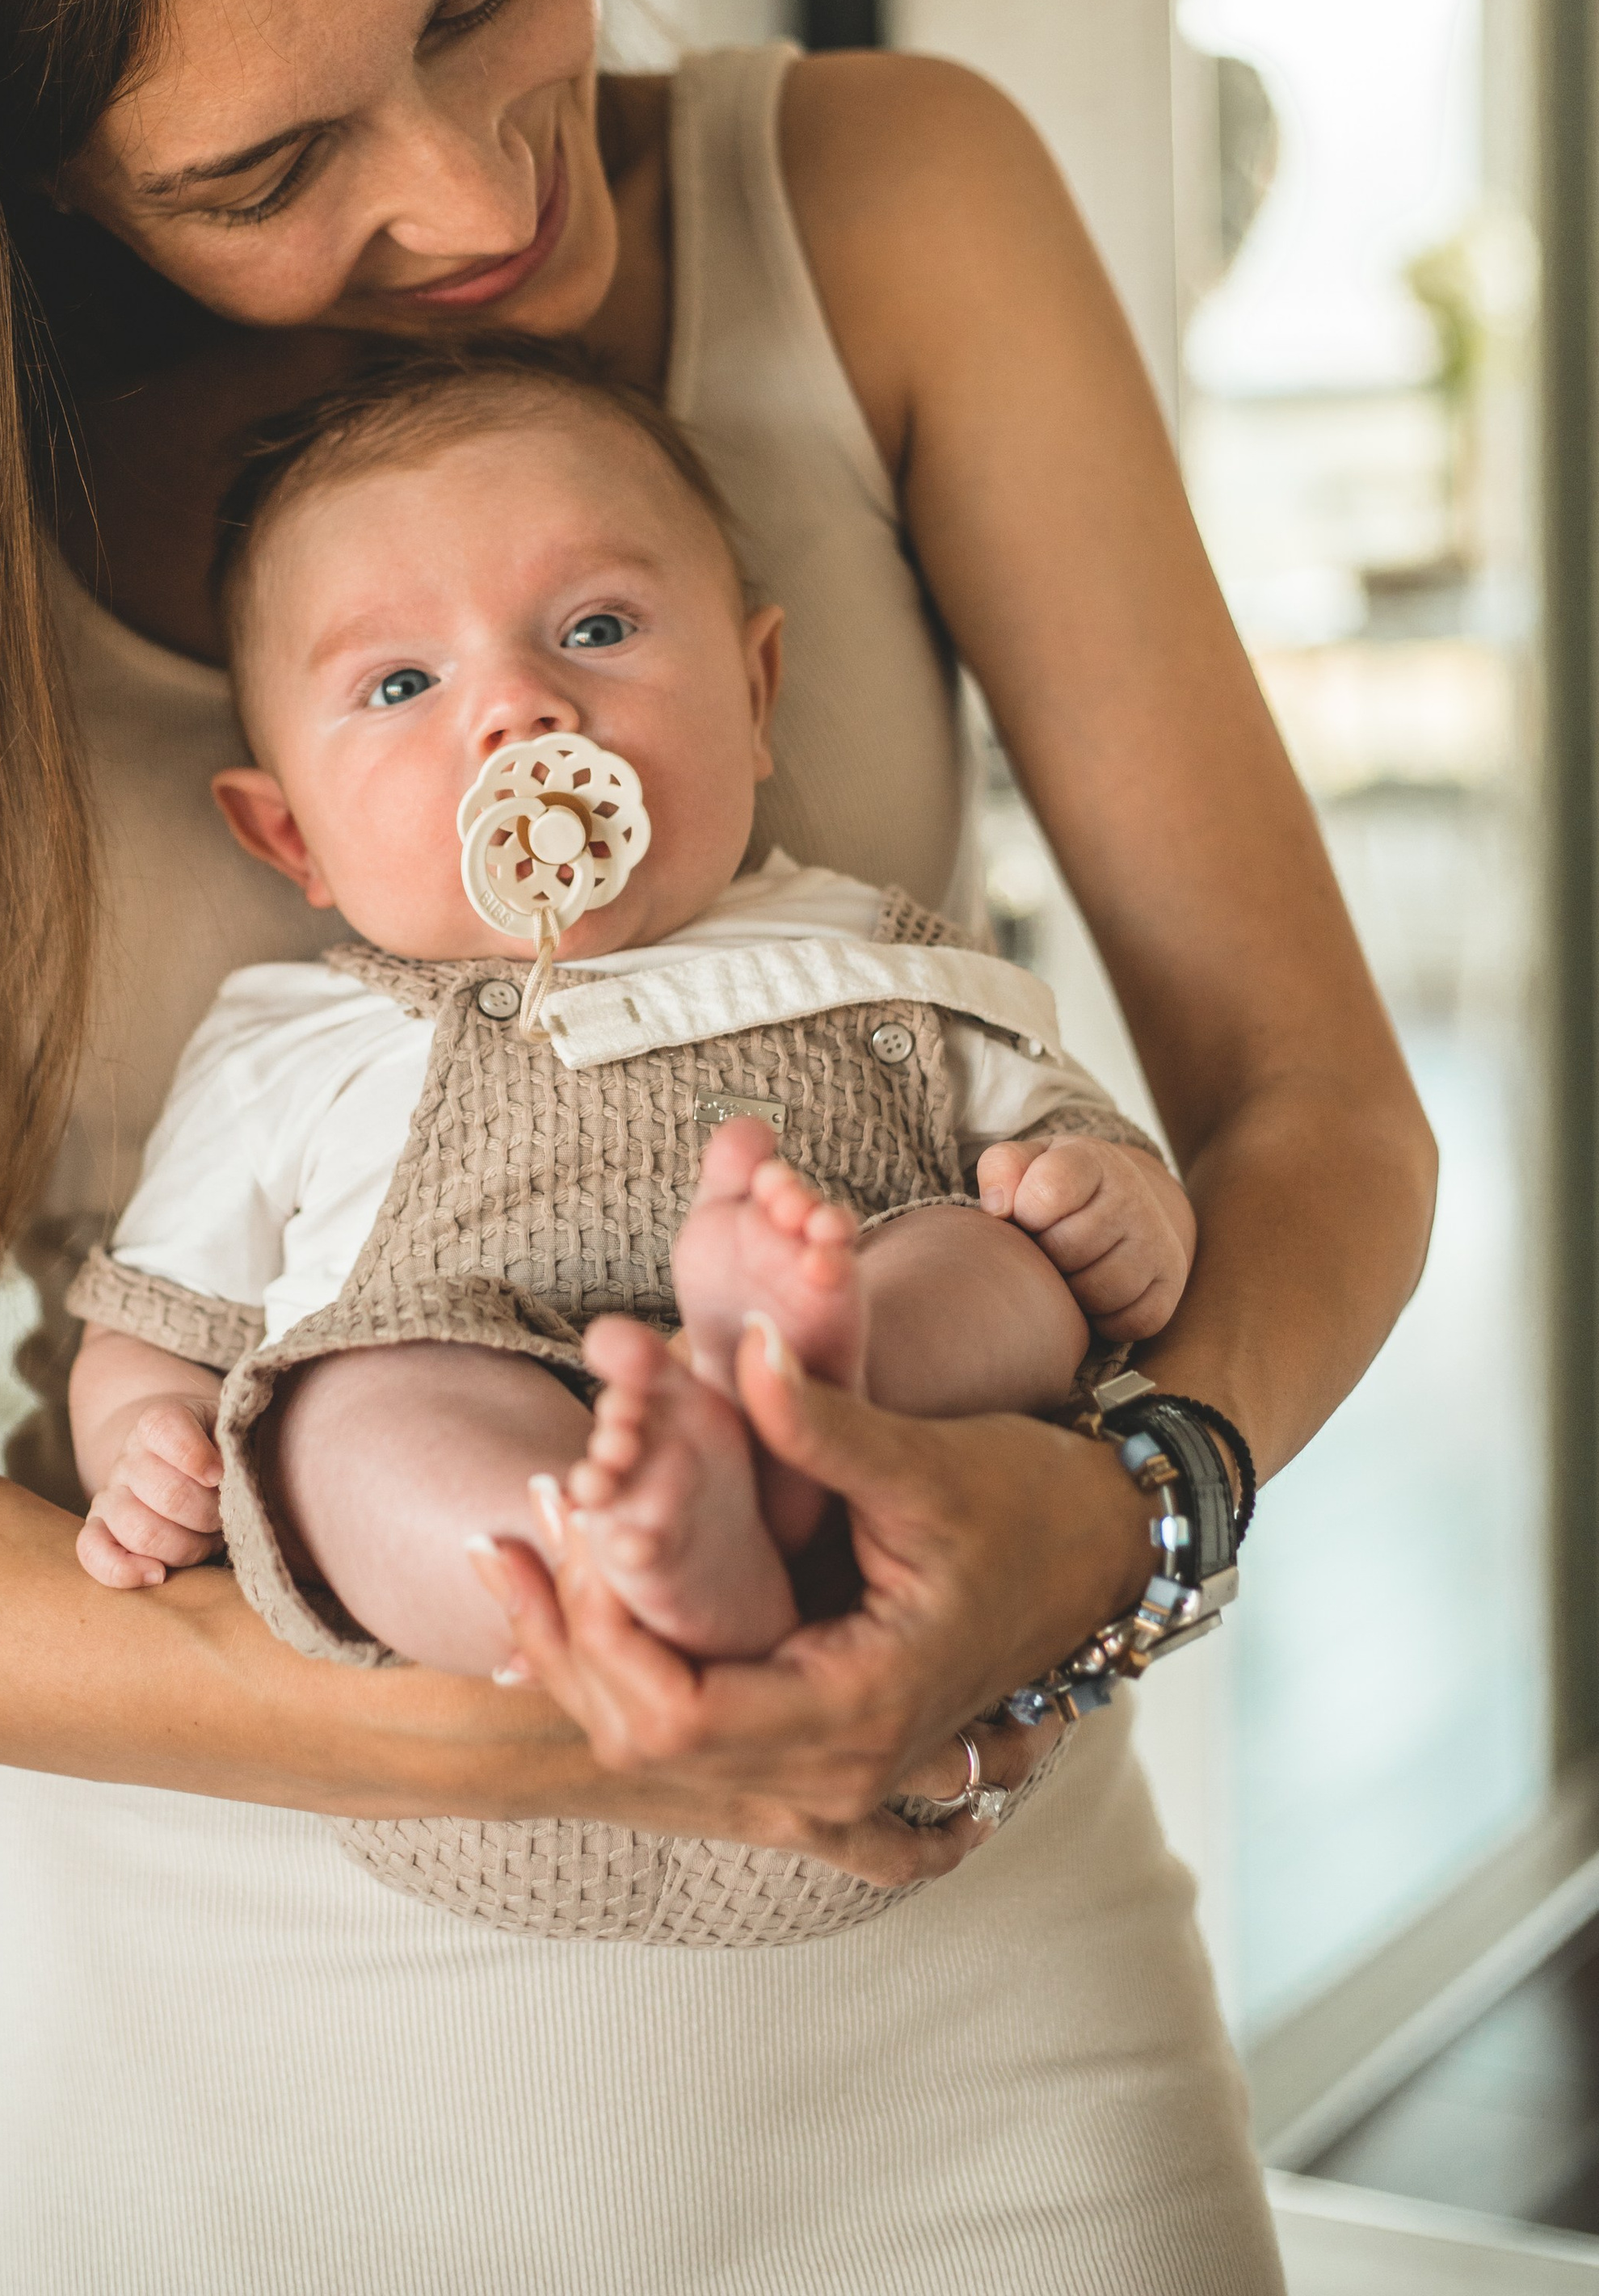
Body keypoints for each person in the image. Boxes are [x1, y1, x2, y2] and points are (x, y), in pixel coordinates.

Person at [0, 0, 1433, 2292]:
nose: (473, 193)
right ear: (25, 176)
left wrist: (1124, 1507)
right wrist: (466, 1724)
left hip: (938, 1909)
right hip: (235, 1988)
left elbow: (1311, 1112)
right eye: (264, 173)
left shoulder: (884, 211)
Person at [69, 346, 1195, 1733]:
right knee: (345, 1419)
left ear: (756, 691)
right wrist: (145, 1446)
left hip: (873, 1416)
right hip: (484, 1423)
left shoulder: (861, 944)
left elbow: (1062, 1134)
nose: (518, 710)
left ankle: (782, 1409)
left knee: (991, 1262)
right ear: (291, 836)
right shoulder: (288, 1040)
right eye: (403, 684)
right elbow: (154, 1331)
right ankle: (611, 1553)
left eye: (598, 629)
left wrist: (1105, 1199)